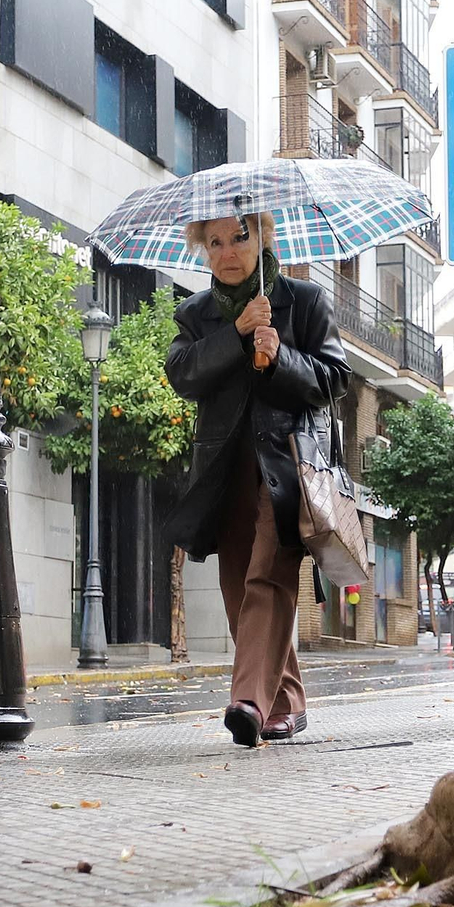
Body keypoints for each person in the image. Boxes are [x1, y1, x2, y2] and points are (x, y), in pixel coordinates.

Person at [164, 213, 349, 747]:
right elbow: (183, 374)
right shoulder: (196, 314)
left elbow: (334, 379)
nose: (228, 251)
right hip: (225, 473)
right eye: (215, 241)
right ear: (204, 249)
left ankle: (246, 700)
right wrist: (237, 334)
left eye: (239, 237)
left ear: (262, 236)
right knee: (238, 588)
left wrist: (279, 357)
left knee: (267, 576)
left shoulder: (305, 302)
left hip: (288, 467)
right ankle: (287, 703)